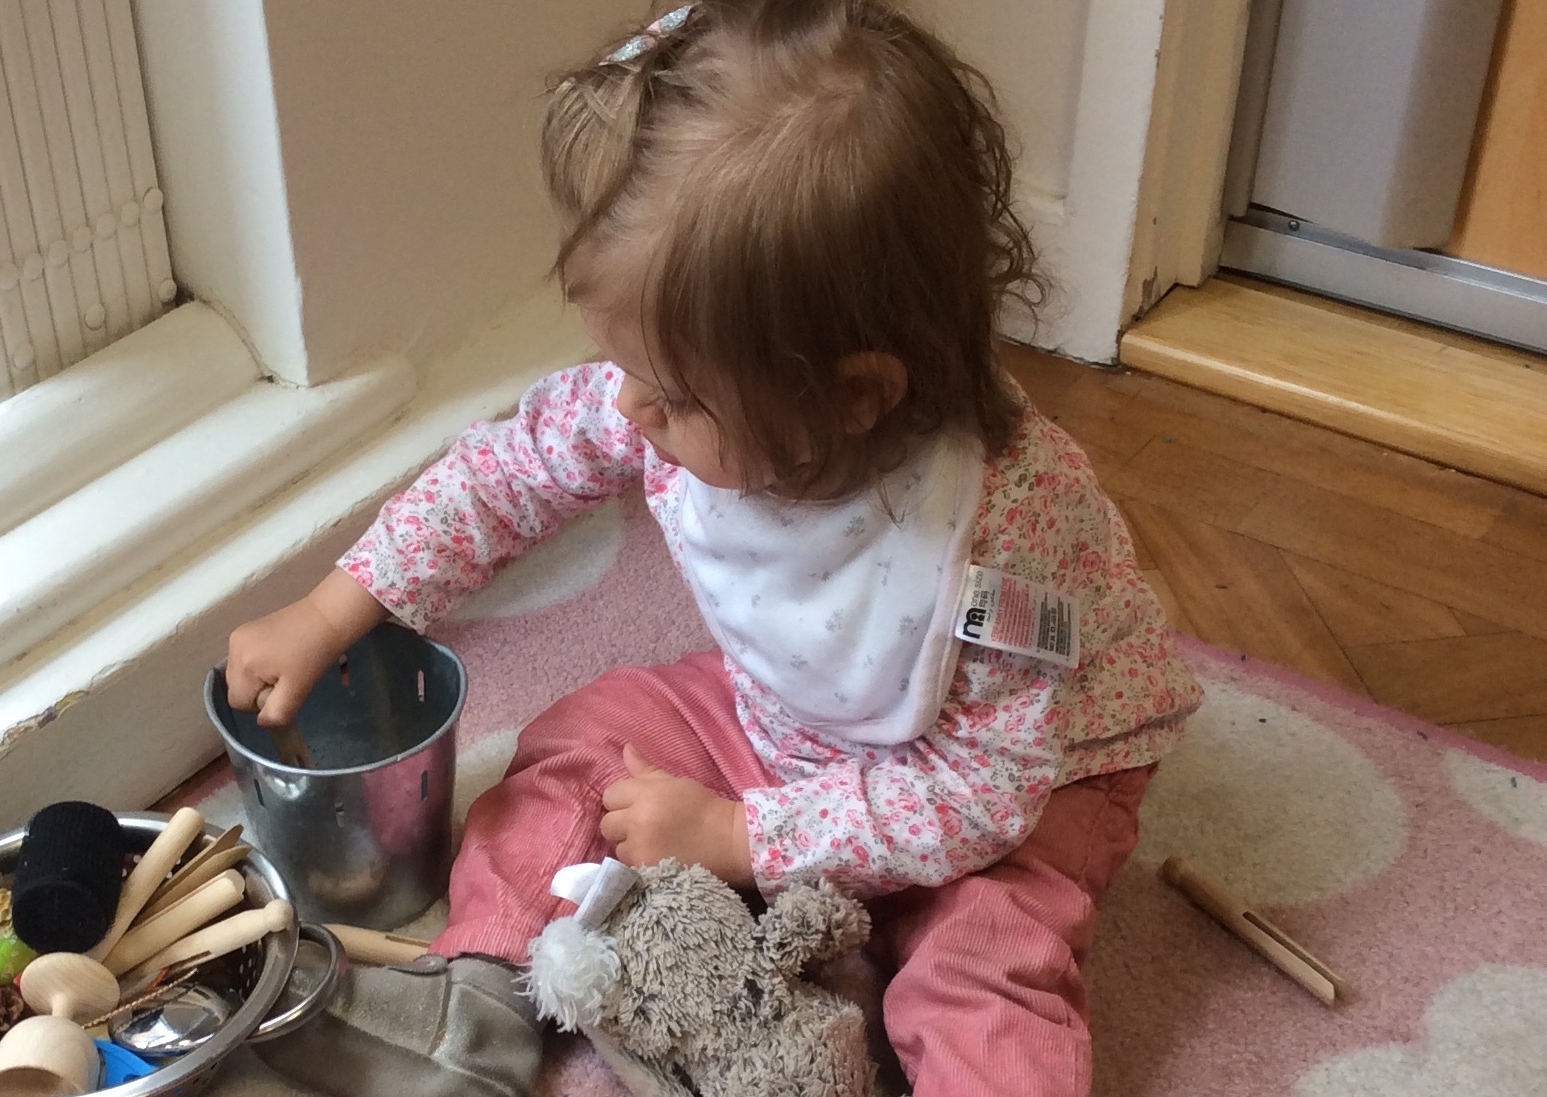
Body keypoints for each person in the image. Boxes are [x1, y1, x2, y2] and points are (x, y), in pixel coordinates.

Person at [225, 3, 1203, 1095]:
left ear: (851, 394)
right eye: (624, 367)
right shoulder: (669, 393)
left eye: (677, 394)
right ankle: (480, 996)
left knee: (982, 956)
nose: (631, 409)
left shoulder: (1006, 525)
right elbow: (504, 474)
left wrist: (746, 837)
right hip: (786, 716)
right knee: (582, 738)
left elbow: (983, 790)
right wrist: (334, 607)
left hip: (1018, 775)